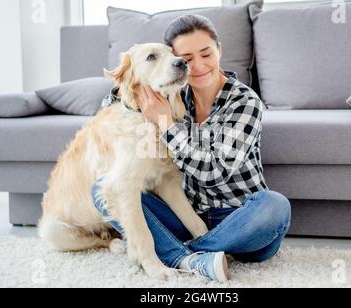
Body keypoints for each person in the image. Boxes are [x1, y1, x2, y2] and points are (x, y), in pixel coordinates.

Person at [92, 14, 291, 282]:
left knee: (275, 207)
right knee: (104, 188)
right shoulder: (172, 92)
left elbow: (212, 172)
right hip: (186, 218)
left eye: (206, 54)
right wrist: (130, 74)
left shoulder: (244, 102)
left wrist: (164, 122)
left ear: (219, 50)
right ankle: (196, 259)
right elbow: (119, 95)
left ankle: (178, 255)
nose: (197, 66)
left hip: (242, 221)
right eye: (186, 59)